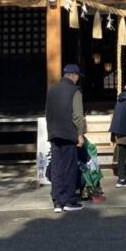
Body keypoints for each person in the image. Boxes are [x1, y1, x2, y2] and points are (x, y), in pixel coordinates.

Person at [45, 63, 86, 213]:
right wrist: (80, 134)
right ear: (74, 75)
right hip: (69, 133)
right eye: (77, 77)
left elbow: (47, 113)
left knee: (56, 167)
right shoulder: (75, 91)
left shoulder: (52, 91)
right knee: (69, 167)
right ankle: (69, 200)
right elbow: (77, 116)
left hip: (54, 132)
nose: (77, 79)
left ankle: (57, 201)